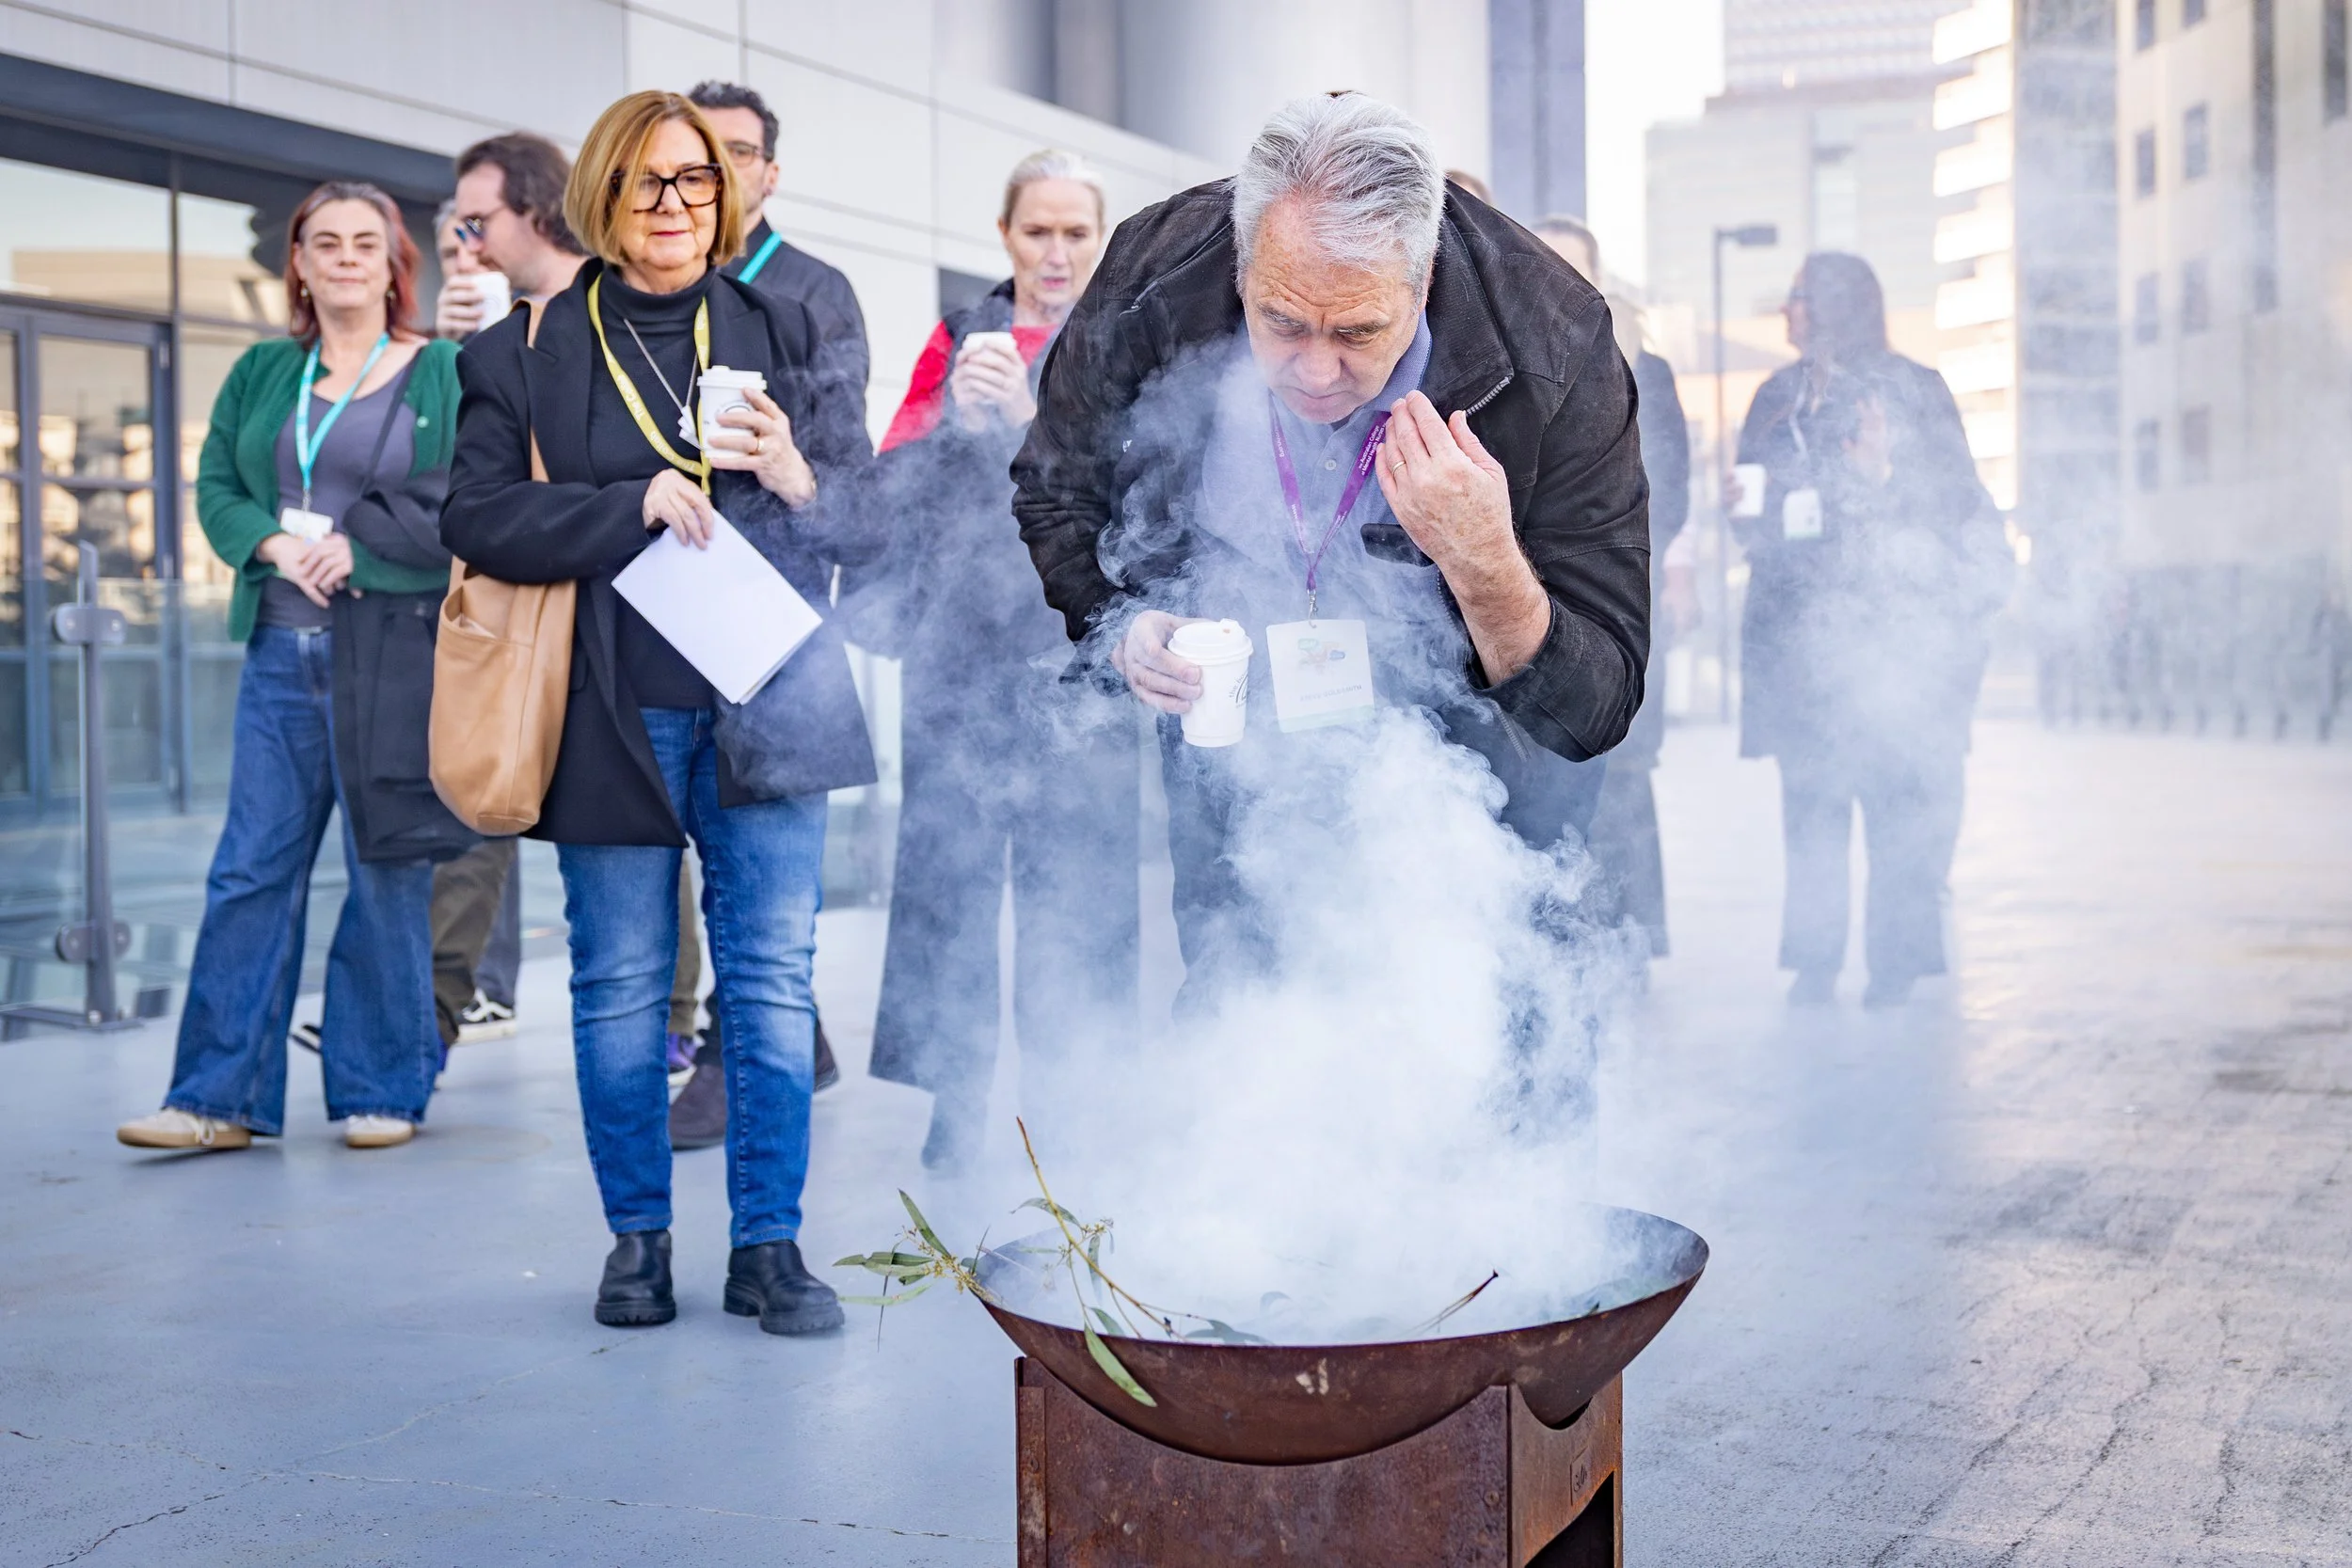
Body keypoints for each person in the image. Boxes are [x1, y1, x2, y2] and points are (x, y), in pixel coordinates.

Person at [1010, 93, 1650, 1007]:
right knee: (1241, 1043)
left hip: (1486, 828)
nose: (1316, 370)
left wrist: (1482, 559)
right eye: (1281, 322)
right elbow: (1053, 485)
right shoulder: (1156, 276)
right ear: (1241, 264)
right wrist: (1119, 618)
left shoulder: (1554, 338)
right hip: (1240, 791)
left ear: (1421, 276)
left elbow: (1594, 706)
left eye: (1357, 332)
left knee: (1483, 1071)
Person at [442, 90, 875, 1334]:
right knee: (624, 983)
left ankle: (770, 1245)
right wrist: (622, 504)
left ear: (727, 196)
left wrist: (793, 471)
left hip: (772, 700)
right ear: (602, 197)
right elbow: (475, 516)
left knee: (771, 982)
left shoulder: (788, 327)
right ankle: (637, 1239)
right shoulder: (521, 348)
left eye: (696, 181)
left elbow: (865, 520)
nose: (675, 205)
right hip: (608, 705)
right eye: (647, 182)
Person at [119, 182, 461, 1154]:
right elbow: (218, 485)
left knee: (385, 867)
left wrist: (366, 549)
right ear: (300, 265)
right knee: (248, 871)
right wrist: (271, 544)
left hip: (393, 656)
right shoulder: (264, 371)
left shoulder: (440, 370)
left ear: (394, 263)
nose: (346, 257)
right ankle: (215, 1098)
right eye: (325, 242)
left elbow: (466, 501)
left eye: (365, 242)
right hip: (280, 651)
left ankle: (382, 1086)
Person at [850, 150, 1138, 1173]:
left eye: (1076, 233)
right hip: (961, 658)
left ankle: (1078, 1094)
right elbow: (888, 500)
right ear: (1004, 234)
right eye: (1037, 231)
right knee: (949, 883)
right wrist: (953, 429)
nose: (1056, 254)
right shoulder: (957, 339)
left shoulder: (1122, 347)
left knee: (1084, 888)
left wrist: (1025, 428)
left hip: (1080, 656)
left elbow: (1144, 505)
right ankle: (954, 1090)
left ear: (1100, 238)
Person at [662, 79, 859, 1148]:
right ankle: (788, 1038)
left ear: (769, 173)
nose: (718, 176)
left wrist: (788, 472)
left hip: (768, 613)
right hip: (659, 603)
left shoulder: (813, 292)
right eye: (698, 157)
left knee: (759, 872)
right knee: (699, 855)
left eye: (737, 155)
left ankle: (744, 1061)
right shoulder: (644, 289)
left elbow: (846, 473)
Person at [1732, 253, 2007, 1008]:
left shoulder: (1914, 390)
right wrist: (1741, 508)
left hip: (1897, 647)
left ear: (1833, 305)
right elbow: (1751, 512)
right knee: (1812, 810)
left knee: (1899, 806)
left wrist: (1886, 477)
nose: (1786, 312)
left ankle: (1897, 963)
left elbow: (1956, 506)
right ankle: (1814, 958)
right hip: (1800, 644)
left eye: (1796, 298)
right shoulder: (1775, 397)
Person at [1535, 215, 1691, 957]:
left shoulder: (1642, 368)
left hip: (1614, 595)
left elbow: (1674, 491)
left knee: (1620, 769)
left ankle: (1629, 939)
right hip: (1532, 611)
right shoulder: (1511, 355)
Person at [440, 132, 586, 336]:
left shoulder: (624, 302)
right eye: (466, 230)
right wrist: (451, 349)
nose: (470, 250)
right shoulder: (501, 316)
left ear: (538, 208)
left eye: (477, 224)